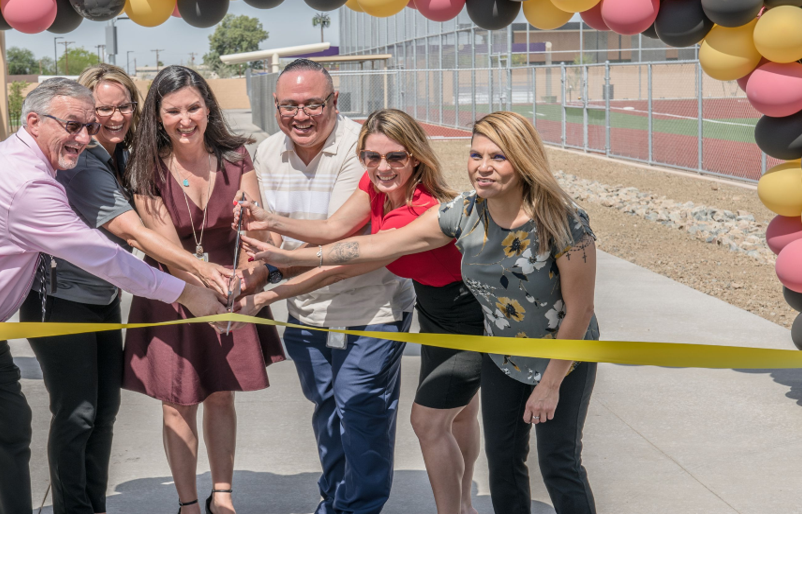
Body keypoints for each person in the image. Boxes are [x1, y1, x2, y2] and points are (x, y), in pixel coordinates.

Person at [0, 78, 226, 514]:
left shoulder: (24, 158)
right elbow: (105, 257)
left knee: (10, 427)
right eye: (73, 126)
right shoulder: (27, 185)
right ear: (34, 121)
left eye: (89, 127)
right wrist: (188, 293)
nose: (84, 138)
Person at [243, 111, 601, 514]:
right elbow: (366, 246)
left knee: (555, 463)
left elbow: (580, 309)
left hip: (549, 351)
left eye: (498, 157)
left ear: (524, 160)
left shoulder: (562, 222)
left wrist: (550, 384)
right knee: (500, 460)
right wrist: (280, 253)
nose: (483, 167)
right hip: (491, 343)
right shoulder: (464, 212)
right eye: (475, 155)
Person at [236, 108, 484, 514]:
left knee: (431, 422)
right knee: (458, 416)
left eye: (395, 157)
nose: (382, 167)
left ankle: (452, 510)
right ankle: (464, 505)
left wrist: (276, 269)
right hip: (435, 309)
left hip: (468, 314)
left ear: (416, 156)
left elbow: (346, 259)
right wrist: (267, 219)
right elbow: (334, 230)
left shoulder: (422, 211)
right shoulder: (376, 186)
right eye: (371, 157)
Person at [18, 64, 237, 514]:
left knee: (102, 414)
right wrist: (197, 271)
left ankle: (91, 506)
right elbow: (133, 232)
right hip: (60, 303)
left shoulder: (119, 155)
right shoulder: (84, 164)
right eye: (102, 110)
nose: (115, 117)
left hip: (100, 300)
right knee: (77, 415)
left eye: (124, 107)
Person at [251, 59, 415, 515]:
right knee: (327, 412)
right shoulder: (266, 153)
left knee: (362, 415)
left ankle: (355, 508)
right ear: (275, 105)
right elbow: (270, 240)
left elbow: (341, 237)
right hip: (306, 315)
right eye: (289, 105)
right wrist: (257, 256)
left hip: (371, 310)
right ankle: (336, 496)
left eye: (312, 104)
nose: (300, 115)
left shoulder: (363, 149)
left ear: (335, 102)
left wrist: (272, 279)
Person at [122, 65, 282, 515]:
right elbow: (170, 252)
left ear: (209, 108)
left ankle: (224, 495)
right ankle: (188, 503)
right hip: (174, 295)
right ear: (158, 114)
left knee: (221, 395)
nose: (185, 119)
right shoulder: (145, 166)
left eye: (194, 107)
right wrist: (209, 294)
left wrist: (250, 278)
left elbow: (259, 234)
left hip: (231, 289)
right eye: (173, 110)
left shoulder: (236, 158)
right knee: (177, 403)